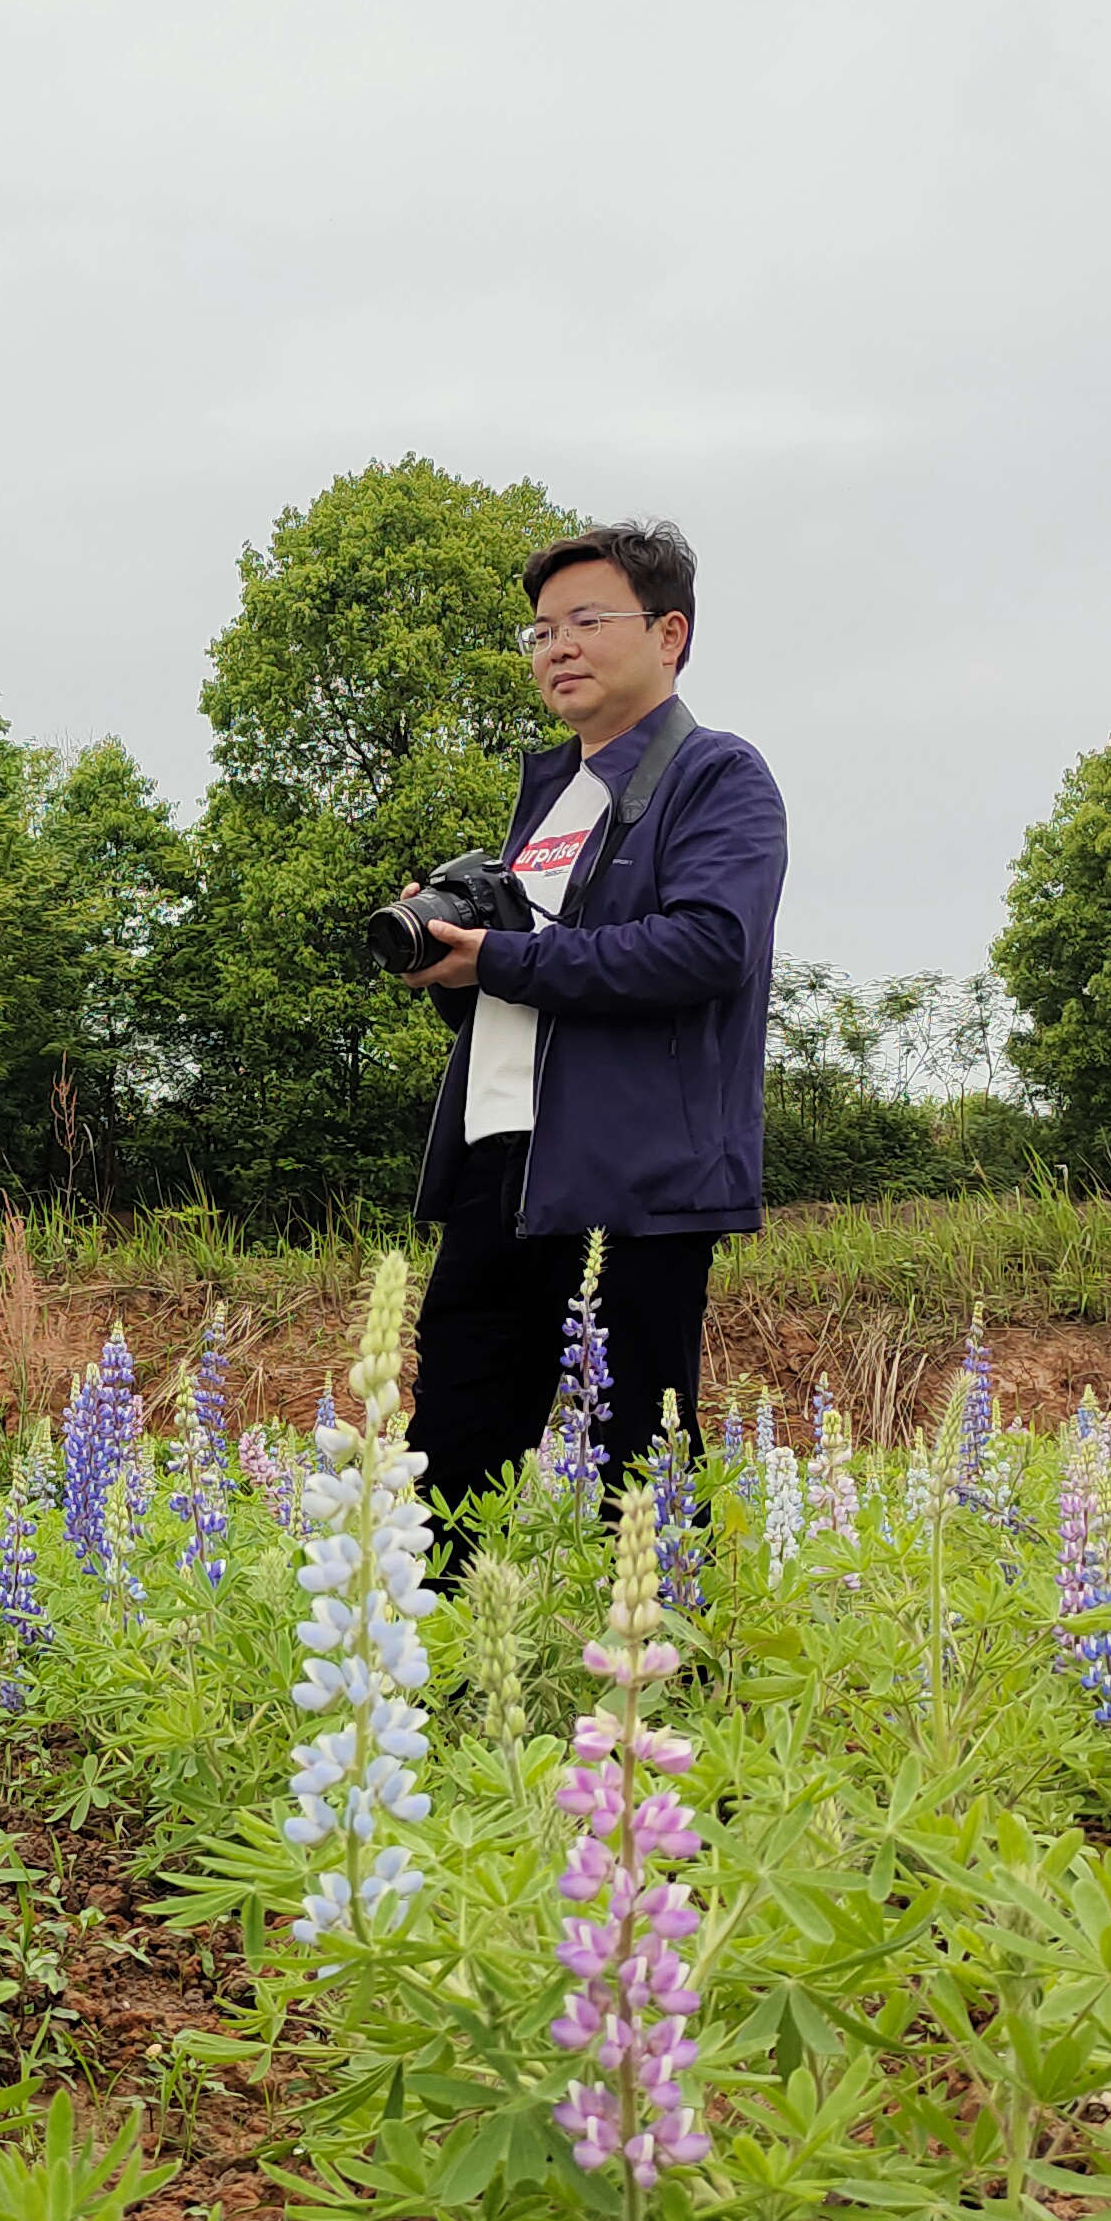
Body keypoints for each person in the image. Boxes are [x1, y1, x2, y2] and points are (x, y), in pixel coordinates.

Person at [388, 518, 786, 1535]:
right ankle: (447, 1644)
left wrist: (501, 957)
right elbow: (522, 996)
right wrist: (453, 966)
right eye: (541, 631)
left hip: (634, 1179)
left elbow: (708, 947)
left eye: (586, 621)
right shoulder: (549, 802)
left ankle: (662, 1645)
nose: (556, 647)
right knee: (449, 1471)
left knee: (640, 1475)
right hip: (498, 1168)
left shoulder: (718, 777)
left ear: (669, 635)